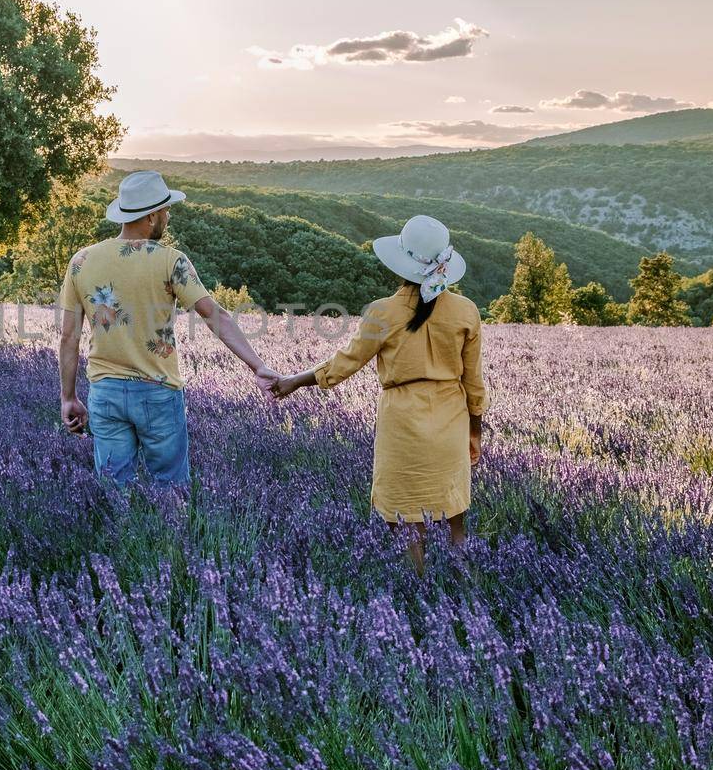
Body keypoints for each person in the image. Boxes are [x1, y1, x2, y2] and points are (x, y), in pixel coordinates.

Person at [271, 215, 488, 572]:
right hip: (451, 421)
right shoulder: (466, 312)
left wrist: (296, 380)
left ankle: (417, 595)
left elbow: (344, 364)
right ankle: (466, 592)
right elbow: (474, 383)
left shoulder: (382, 312)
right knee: (455, 517)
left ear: (401, 263)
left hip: (403, 425)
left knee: (407, 520)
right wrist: (475, 431)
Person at [58, 170, 278, 485]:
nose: (168, 216)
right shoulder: (171, 261)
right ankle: (170, 536)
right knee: (171, 491)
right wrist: (257, 366)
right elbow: (215, 316)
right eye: (165, 210)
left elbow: (69, 337)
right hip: (157, 392)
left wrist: (68, 397)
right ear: (150, 217)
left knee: (113, 490)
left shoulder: (81, 261)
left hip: (104, 392)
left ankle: (122, 535)